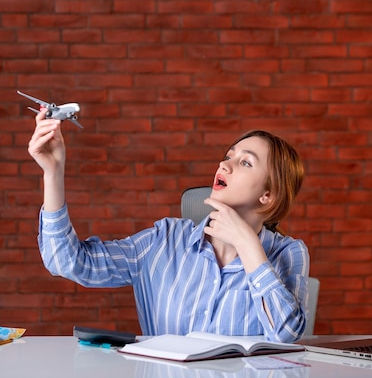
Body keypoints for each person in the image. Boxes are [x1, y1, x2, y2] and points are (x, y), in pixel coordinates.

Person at [28, 110, 309, 342]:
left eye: (245, 162)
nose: (225, 165)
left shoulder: (290, 253)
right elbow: (66, 262)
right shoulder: (163, 241)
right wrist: (53, 172)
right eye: (228, 155)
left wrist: (248, 246)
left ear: (268, 195)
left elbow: (285, 334)